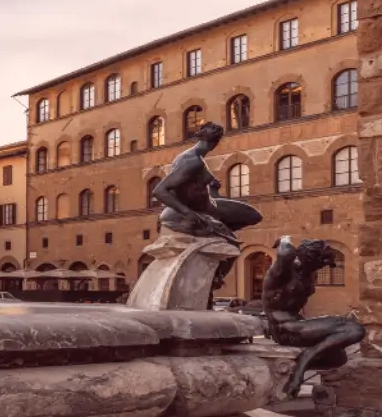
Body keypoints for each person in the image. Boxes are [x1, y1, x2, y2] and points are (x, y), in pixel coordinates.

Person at [151, 122, 262, 302]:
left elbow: (192, 190)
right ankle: (216, 277)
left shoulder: (191, 157)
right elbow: (159, 191)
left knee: (253, 215)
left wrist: (213, 191)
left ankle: (219, 236)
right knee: (233, 244)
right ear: (217, 142)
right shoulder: (192, 161)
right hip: (199, 210)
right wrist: (187, 213)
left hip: (210, 205)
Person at [262, 236, 365, 397]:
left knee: (338, 357)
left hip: (297, 324)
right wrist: (285, 241)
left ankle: (298, 365)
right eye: (321, 264)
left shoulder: (310, 273)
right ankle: (305, 359)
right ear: (308, 259)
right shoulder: (284, 271)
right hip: (284, 327)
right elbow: (284, 254)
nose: (323, 268)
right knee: (354, 329)